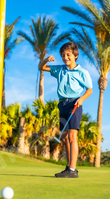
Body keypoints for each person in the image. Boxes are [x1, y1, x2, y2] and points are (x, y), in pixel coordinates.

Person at [39, 41, 93, 178]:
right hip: (62, 105)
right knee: (64, 138)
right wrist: (46, 59)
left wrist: (81, 99)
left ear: (75, 55)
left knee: (72, 136)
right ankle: (69, 167)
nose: (65, 57)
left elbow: (90, 90)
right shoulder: (59, 69)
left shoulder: (82, 72)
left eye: (68, 55)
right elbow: (41, 68)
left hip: (75, 103)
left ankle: (73, 170)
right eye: (63, 55)